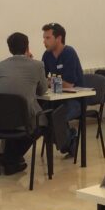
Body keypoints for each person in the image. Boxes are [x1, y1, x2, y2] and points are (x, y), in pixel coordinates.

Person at [0, 32, 48, 175]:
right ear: (27, 47)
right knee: (44, 123)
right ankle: (12, 158)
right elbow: (42, 91)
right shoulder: (37, 65)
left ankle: (9, 157)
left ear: (9, 48)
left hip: (0, 120)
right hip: (25, 119)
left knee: (16, 122)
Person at [40, 22, 81, 155]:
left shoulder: (69, 53)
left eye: (48, 38)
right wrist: (52, 82)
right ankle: (69, 140)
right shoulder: (47, 55)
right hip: (57, 99)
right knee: (42, 117)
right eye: (44, 38)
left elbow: (69, 85)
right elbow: (42, 79)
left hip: (75, 100)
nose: (44, 41)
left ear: (58, 38)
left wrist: (49, 81)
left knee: (55, 118)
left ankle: (68, 140)